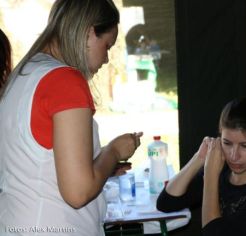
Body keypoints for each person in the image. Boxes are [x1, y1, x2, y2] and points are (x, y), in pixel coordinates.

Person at [0, 0, 142, 235]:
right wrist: (114, 151)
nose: (107, 59)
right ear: (89, 31)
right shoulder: (65, 81)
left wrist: (101, 167)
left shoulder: (24, 73)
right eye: (107, 46)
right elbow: (78, 192)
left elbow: (35, 162)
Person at [157, 98, 246, 236]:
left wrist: (210, 176)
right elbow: (166, 203)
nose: (233, 155)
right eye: (227, 143)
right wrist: (199, 158)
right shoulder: (223, 171)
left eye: (245, 146)